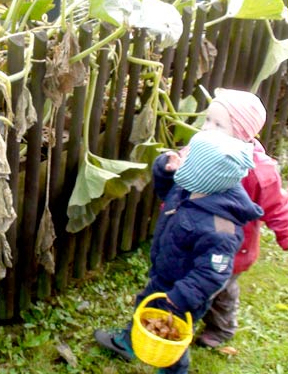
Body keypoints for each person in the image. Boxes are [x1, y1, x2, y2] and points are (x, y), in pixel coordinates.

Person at [94, 130, 263, 374]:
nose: (181, 154)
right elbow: (166, 191)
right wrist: (166, 169)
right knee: (145, 306)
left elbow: (213, 274)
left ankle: (173, 369)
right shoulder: (191, 189)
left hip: (183, 293)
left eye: (187, 157)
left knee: (173, 336)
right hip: (165, 275)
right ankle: (130, 343)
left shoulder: (221, 228)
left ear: (203, 173)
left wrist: (182, 296)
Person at [196, 88, 288, 348]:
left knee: (206, 287)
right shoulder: (203, 151)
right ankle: (220, 326)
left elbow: (278, 208)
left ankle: (190, 324)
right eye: (207, 120)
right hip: (202, 237)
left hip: (235, 248)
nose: (207, 128)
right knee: (220, 288)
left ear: (241, 133)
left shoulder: (259, 172)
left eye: (218, 124)